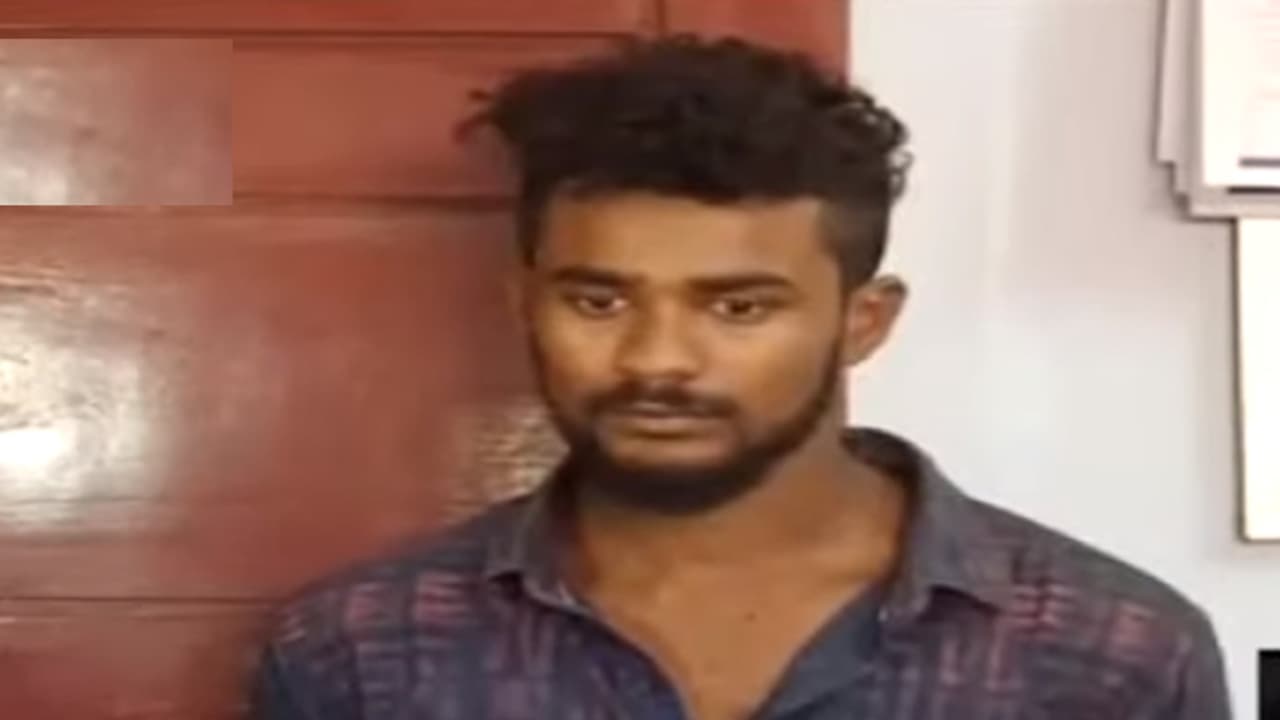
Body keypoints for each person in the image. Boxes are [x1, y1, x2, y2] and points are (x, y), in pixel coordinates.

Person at [251, 36, 1231, 719]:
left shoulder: (1107, 655)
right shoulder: (362, 650)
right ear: (525, 305)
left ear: (863, 322)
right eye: (598, 300)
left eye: (738, 308)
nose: (655, 359)